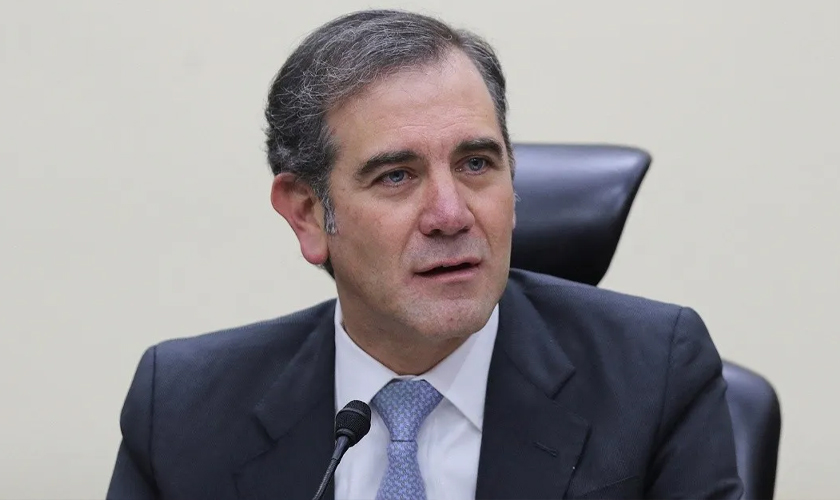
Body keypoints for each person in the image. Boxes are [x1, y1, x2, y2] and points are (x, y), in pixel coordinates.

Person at [107, 9, 743, 500]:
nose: (451, 214)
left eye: (476, 164)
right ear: (307, 213)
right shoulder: (184, 408)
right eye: (396, 176)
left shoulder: (652, 375)